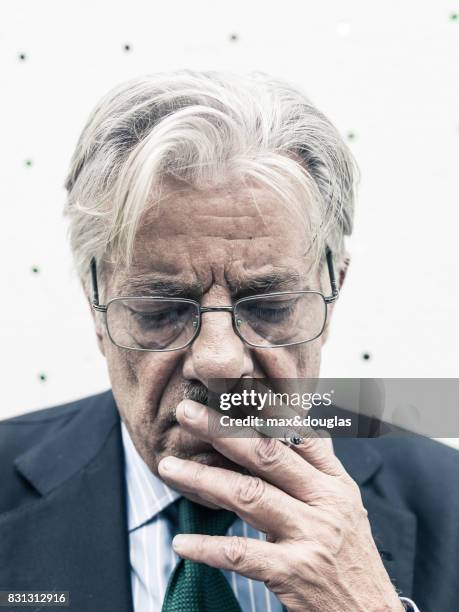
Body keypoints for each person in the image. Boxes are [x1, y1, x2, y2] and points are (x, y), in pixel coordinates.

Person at [1, 70, 457, 612]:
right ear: (95, 306)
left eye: (268, 306)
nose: (219, 360)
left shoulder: (449, 502)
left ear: (332, 290)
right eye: (161, 310)